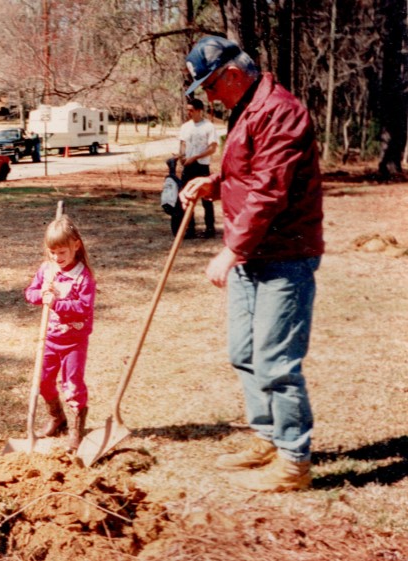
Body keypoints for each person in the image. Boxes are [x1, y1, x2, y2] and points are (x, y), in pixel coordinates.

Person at [179, 36, 324, 492]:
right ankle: (266, 436)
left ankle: (294, 462)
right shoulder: (248, 107)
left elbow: (270, 191)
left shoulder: (282, 111)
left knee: (276, 360)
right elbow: (246, 172)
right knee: (245, 353)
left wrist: (231, 249)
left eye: (209, 86)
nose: (208, 97)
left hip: (284, 255)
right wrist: (213, 183)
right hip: (254, 252)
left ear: (233, 76)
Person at [24, 215, 96, 452]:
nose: (57, 258)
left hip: (74, 342)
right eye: (52, 252)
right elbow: (30, 293)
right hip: (50, 339)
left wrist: (56, 303)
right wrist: (41, 295)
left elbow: (83, 310)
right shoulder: (47, 269)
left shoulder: (83, 277)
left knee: (72, 386)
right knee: (43, 381)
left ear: (76, 245)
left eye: (62, 252)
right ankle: (57, 417)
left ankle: (76, 428)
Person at [173, 97, 218, 239]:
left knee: (206, 198)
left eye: (191, 110)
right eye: (187, 110)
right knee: (187, 196)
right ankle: (190, 229)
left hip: (201, 165)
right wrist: (180, 156)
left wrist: (195, 157)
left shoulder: (208, 126)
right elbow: (183, 145)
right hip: (188, 166)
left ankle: (210, 228)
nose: (189, 113)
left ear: (199, 110)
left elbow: (212, 149)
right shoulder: (185, 126)